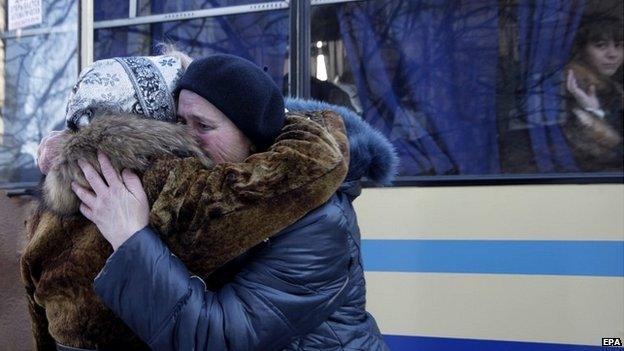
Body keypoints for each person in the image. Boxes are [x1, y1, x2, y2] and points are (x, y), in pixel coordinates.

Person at [29, 54, 396, 350]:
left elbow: (217, 338)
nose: (185, 140)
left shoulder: (317, 222)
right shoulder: (212, 192)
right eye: (178, 122)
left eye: (203, 127)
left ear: (252, 140)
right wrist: (80, 145)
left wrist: (130, 238)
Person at [563, 14, 623, 171]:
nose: (613, 54)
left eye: (618, 45)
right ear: (581, 50)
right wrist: (594, 112)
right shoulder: (574, 91)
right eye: (601, 45)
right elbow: (603, 157)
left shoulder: (613, 88)